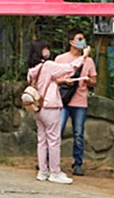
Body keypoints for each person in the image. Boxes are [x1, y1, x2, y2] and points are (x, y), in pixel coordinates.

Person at [27, 39, 87, 184]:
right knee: (53, 140)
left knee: (42, 141)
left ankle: (43, 171)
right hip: (50, 106)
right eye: (45, 48)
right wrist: (83, 57)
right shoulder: (47, 66)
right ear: (40, 51)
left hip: (37, 107)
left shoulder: (32, 70)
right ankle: (55, 172)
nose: (47, 51)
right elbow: (70, 68)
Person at [55, 28, 97, 176]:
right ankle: (50, 160)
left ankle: (78, 163)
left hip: (80, 102)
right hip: (63, 101)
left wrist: (88, 81)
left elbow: (94, 81)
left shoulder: (89, 61)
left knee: (78, 133)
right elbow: (53, 79)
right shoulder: (60, 59)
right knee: (57, 130)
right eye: (79, 39)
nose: (82, 42)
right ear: (71, 41)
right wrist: (64, 81)